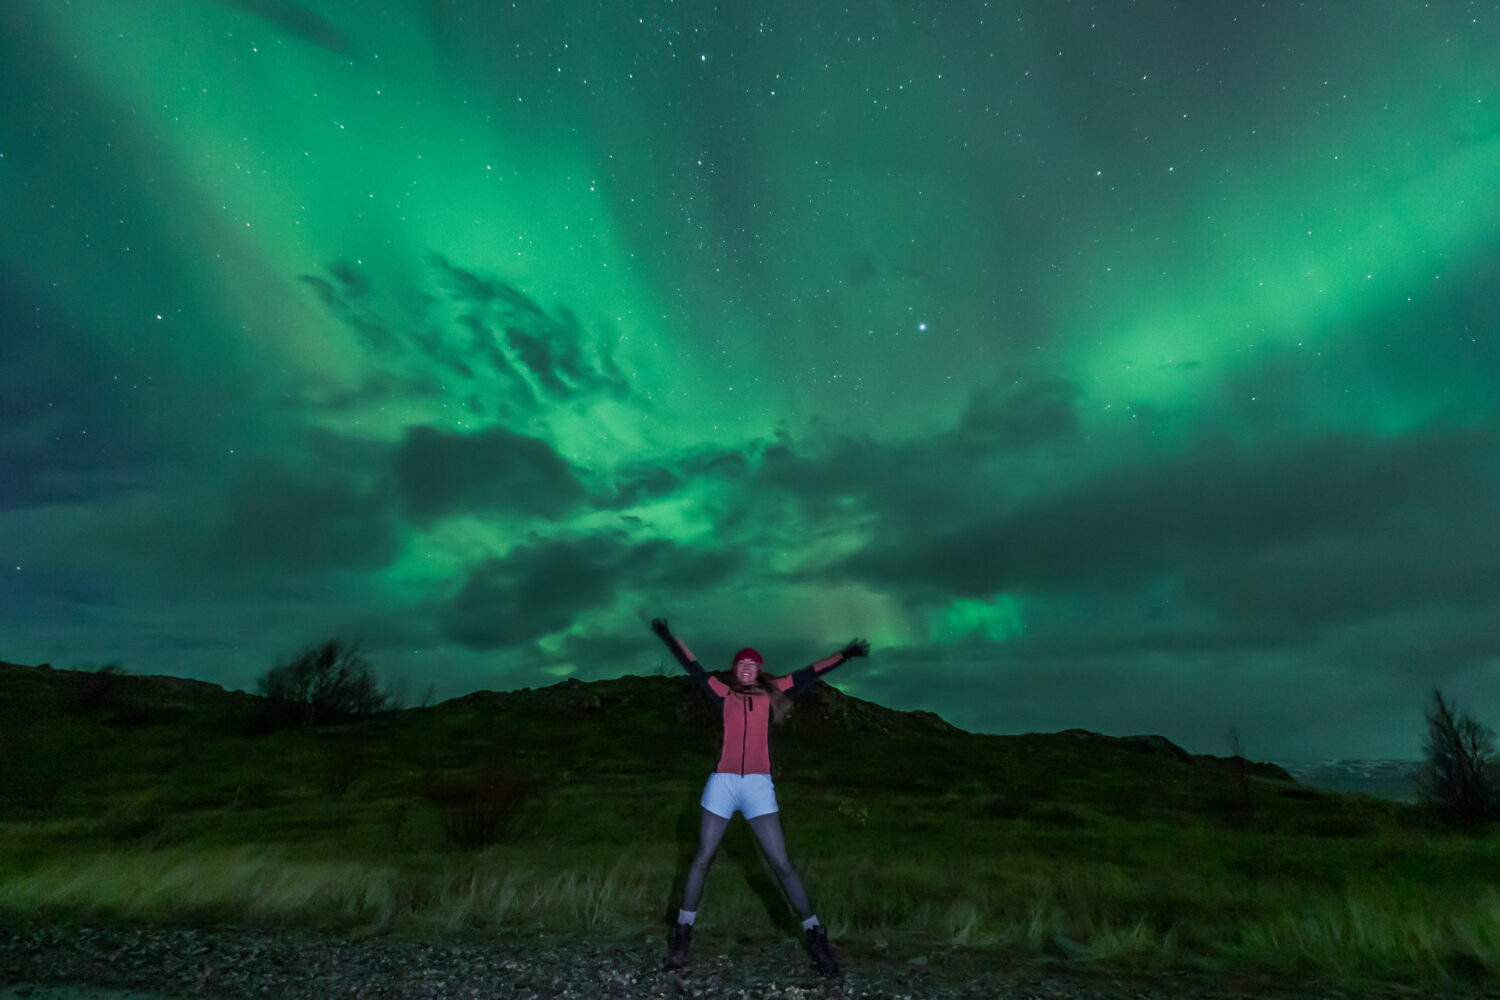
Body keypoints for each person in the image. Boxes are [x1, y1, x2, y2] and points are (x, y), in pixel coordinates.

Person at [650, 617, 870, 977]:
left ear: (760, 670)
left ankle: (816, 937)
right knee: (703, 859)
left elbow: (809, 672)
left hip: (757, 786)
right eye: (742, 664)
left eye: (753, 664)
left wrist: (845, 654)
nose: (747, 667)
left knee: (781, 863)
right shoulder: (723, 694)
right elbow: (692, 665)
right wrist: (668, 636)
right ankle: (682, 938)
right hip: (722, 782)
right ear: (736, 671)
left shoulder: (775, 692)